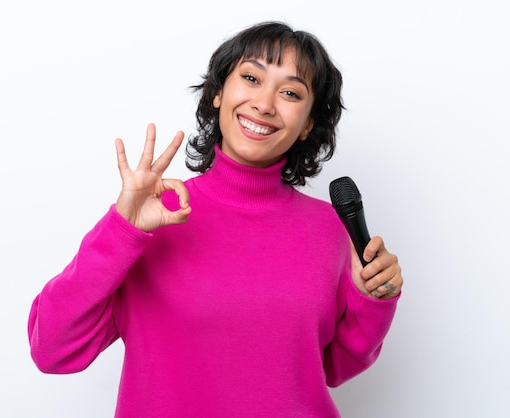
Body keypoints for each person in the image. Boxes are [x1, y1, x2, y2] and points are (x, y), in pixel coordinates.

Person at [28, 21, 403, 417]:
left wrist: (373, 300)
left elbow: (332, 367)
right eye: (251, 78)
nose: (264, 103)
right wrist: (121, 229)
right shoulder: (157, 217)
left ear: (309, 123)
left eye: (290, 92)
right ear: (219, 93)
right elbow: (51, 349)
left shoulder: (330, 228)